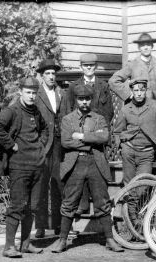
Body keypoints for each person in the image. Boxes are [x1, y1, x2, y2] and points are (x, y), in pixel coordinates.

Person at [45, 83, 123, 253]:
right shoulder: (67, 119)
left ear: (91, 100)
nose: (84, 102)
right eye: (81, 99)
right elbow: (66, 141)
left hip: (95, 163)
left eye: (87, 99)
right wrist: (90, 141)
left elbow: (103, 137)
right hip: (75, 164)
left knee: (102, 202)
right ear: (76, 100)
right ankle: (62, 240)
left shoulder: (99, 118)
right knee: (69, 202)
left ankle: (110, 239)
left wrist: (81, 137)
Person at [0, 77, 48, 258]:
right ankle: (8, 247)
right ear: (20, 92)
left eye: (34, 93)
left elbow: (45, 129)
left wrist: (41, 146)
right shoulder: (12, 111)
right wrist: (10, 144)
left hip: (37, 165)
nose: (31, 96)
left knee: (32, 206)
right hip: (19, 167)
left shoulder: (36, 111)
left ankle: (26, 244)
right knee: (17, 206)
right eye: (28, 92)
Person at [61, 53, 115, 217]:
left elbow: (109, 111)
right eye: (86, 66)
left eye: (92, 65)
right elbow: (68, 109)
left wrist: (97, 130)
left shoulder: (103, 86)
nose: (89, 68)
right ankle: (83, 204)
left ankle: (101, 206)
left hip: (97, 131)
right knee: (80, 165)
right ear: (81, 67)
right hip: (78, 129)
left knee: (97, 167)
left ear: (96, 67)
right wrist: (75, 129)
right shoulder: (73, 86)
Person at [114, 78, 156, 185]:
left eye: (142, 90)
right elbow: (117, 132)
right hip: (128, 152)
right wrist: (121, 147)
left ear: (146, 90)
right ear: (131, 91)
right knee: (128, 186)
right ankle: (130, 202)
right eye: (136, 91)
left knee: (142, 186)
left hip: (146, 153)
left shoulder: (155, 106)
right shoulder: (126, 109)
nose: (139, 94)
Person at [34, 59, 63, 238]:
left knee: (58, 184)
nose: (51, 77)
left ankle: (59, 224)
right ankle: (41, 226)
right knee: (41, 185)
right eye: (48, 74)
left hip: (59, 146)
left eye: (53, 74)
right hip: (43, 146)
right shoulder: (36, 95)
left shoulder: (62, 93)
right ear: (42, 76)